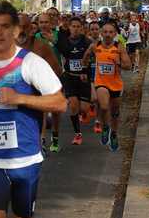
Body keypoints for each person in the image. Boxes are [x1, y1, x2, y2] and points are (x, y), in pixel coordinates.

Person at [0, 1, 67, 218]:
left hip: (25, 157)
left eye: (5, 26)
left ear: (16, 30)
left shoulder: (31, 63)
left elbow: (60, 103)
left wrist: (20, 98)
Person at [16, 14, 63, 154]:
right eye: (18, 27)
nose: (21, 31)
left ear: (31, 29)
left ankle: (41, 143)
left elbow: (57, 70)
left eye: (24, 28)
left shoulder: (41, 47)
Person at [83, 21, 131, 152]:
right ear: (101, 33)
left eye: (111, 32)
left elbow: (129, 66)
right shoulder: (95, 46)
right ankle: (105, 126)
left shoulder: (119, 47)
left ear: (115, 34)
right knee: (104, 106)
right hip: (101, 82)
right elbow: (85, 57)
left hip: (116, 84)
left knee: (115, 112)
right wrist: (84, 66)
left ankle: (114, 133)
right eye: (105, 32)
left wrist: (119, 62)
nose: (108, 35)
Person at [56, 17, 92, 146]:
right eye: (73, 26)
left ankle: (86, 111)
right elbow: (58, 49)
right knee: (73, 106)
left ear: (82, 28)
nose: (75, 29)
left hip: (83, 78)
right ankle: (78, 134)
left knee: (84, 109)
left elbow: (90, 59)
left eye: (78, 27)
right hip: (70, 77)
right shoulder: (65, 42)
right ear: (70, 27)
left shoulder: (86, 42)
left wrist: (85, 71)